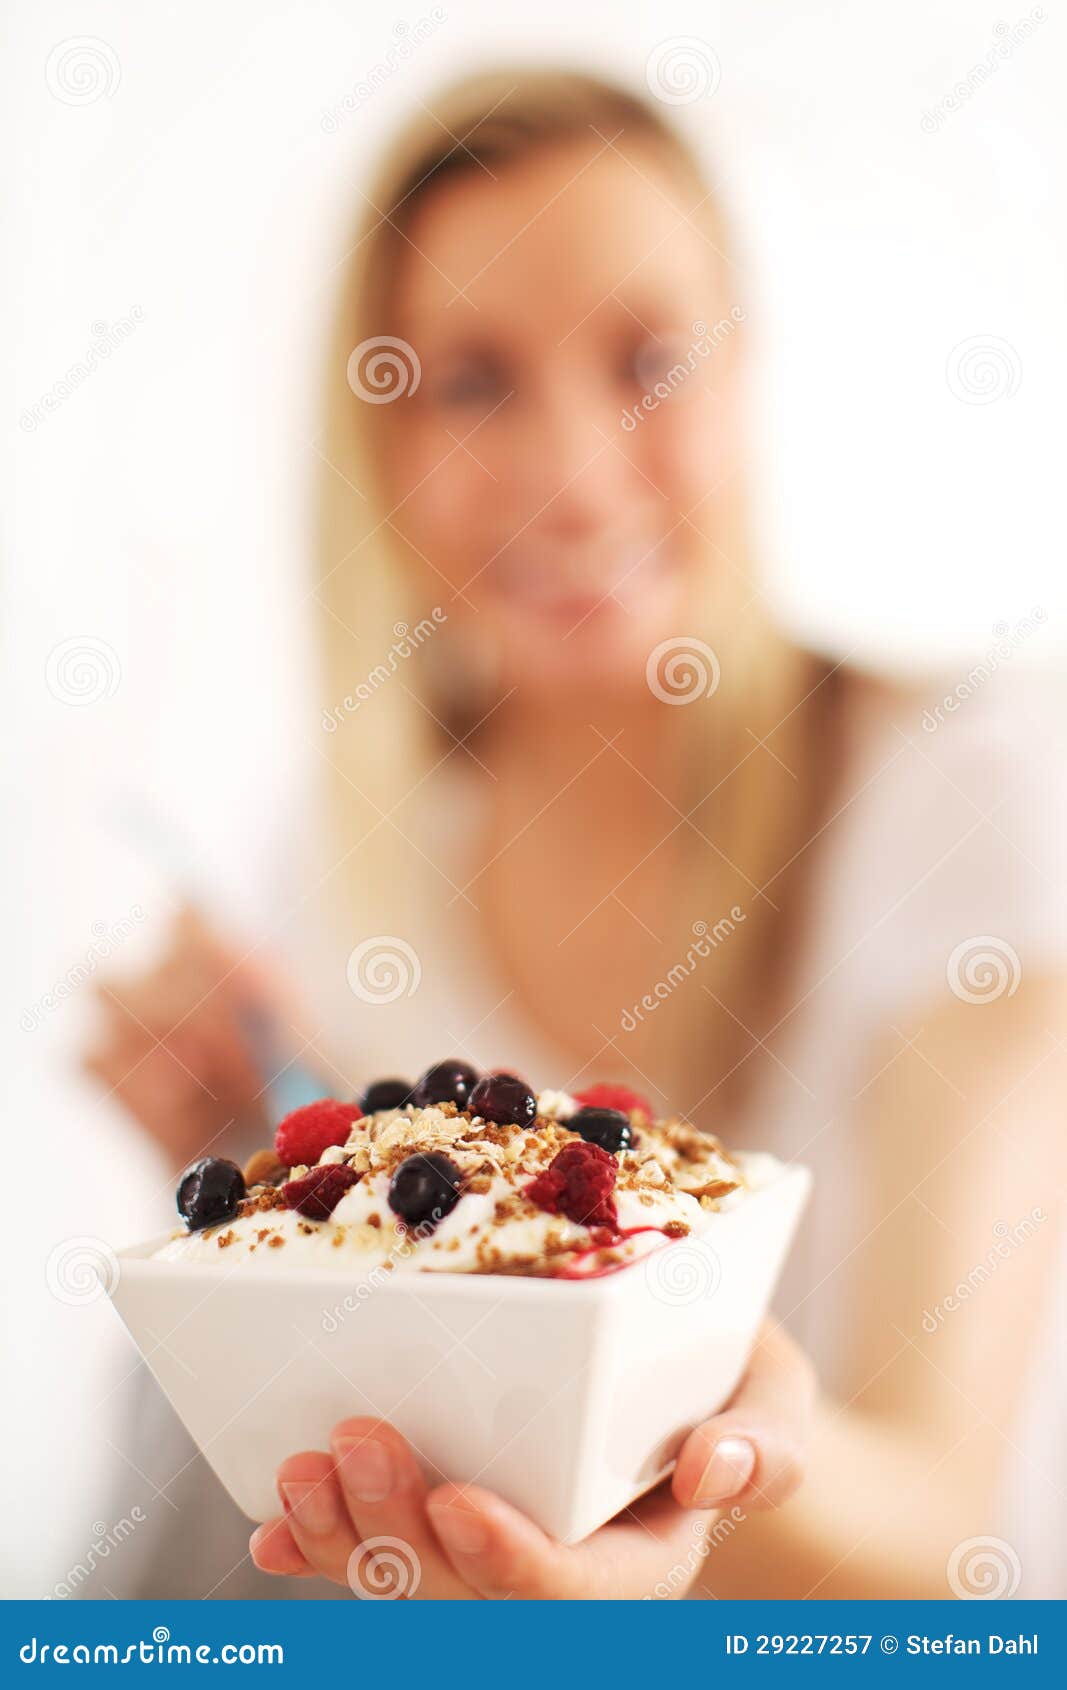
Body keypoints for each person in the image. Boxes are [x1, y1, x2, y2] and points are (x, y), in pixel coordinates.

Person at [85, 69, 1067, 1600]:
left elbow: (949, 1546)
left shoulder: (979, 787)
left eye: (651, 360)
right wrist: (241, 1158)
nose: (575, 468)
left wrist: (692, 1454)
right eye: (473, 381)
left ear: (751, 379)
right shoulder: (344, 859)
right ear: (381, 445)